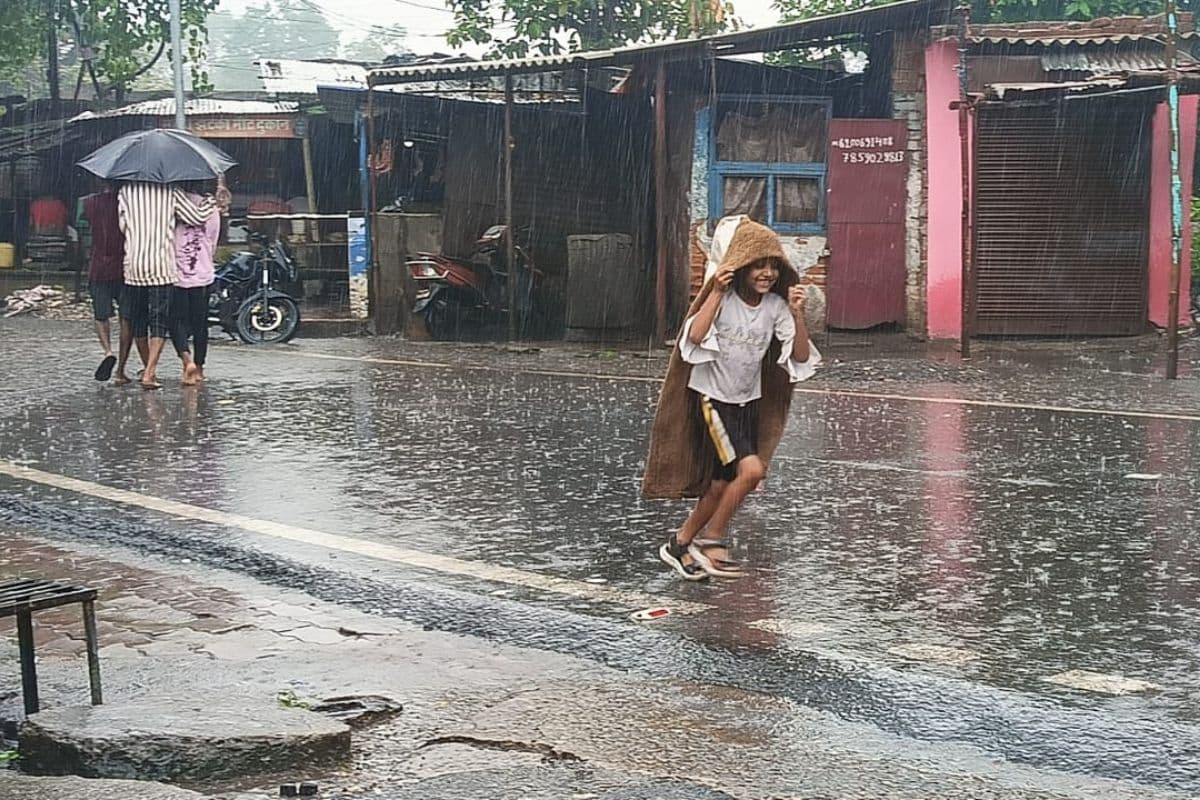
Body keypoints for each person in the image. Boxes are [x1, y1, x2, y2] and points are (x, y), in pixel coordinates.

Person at [642, 217, 821, 580]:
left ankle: (678, 544)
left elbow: (800, 357)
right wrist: (716, 293)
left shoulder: (774, 307)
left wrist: (797, 314)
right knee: (752, 471)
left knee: (722, 484)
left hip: (747, 403)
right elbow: (693, 338)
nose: (767, 272)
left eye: (773, 265)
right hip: (713, 401)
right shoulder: (722, 300)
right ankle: (712, 539)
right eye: (758, 264)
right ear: (740, 266)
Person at [116, 182, 215, 390]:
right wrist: (211, 203)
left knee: (138, 321)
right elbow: (195, 217)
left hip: (134, 265)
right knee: (160, 321)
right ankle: (150, 372)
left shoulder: (126, 191)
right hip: (161, 265)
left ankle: (146, 367)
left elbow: (122, 226)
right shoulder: (171, 192)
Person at [172, 181, 224, 385]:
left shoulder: (173, 204)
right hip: (202, 273)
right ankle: (200, 367)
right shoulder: (210, 207)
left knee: (176, 320)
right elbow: (212, 239)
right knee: (200, 323)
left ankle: (186, 361)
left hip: (176, 272)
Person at [82, 182, 128, 381]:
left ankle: (108, 351)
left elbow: (84, 225)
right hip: (123, 267)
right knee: (127, 317)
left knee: (101, 315)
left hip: (98, 266)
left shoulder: (90, 202)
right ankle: (121, 370)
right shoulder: (127, 203)